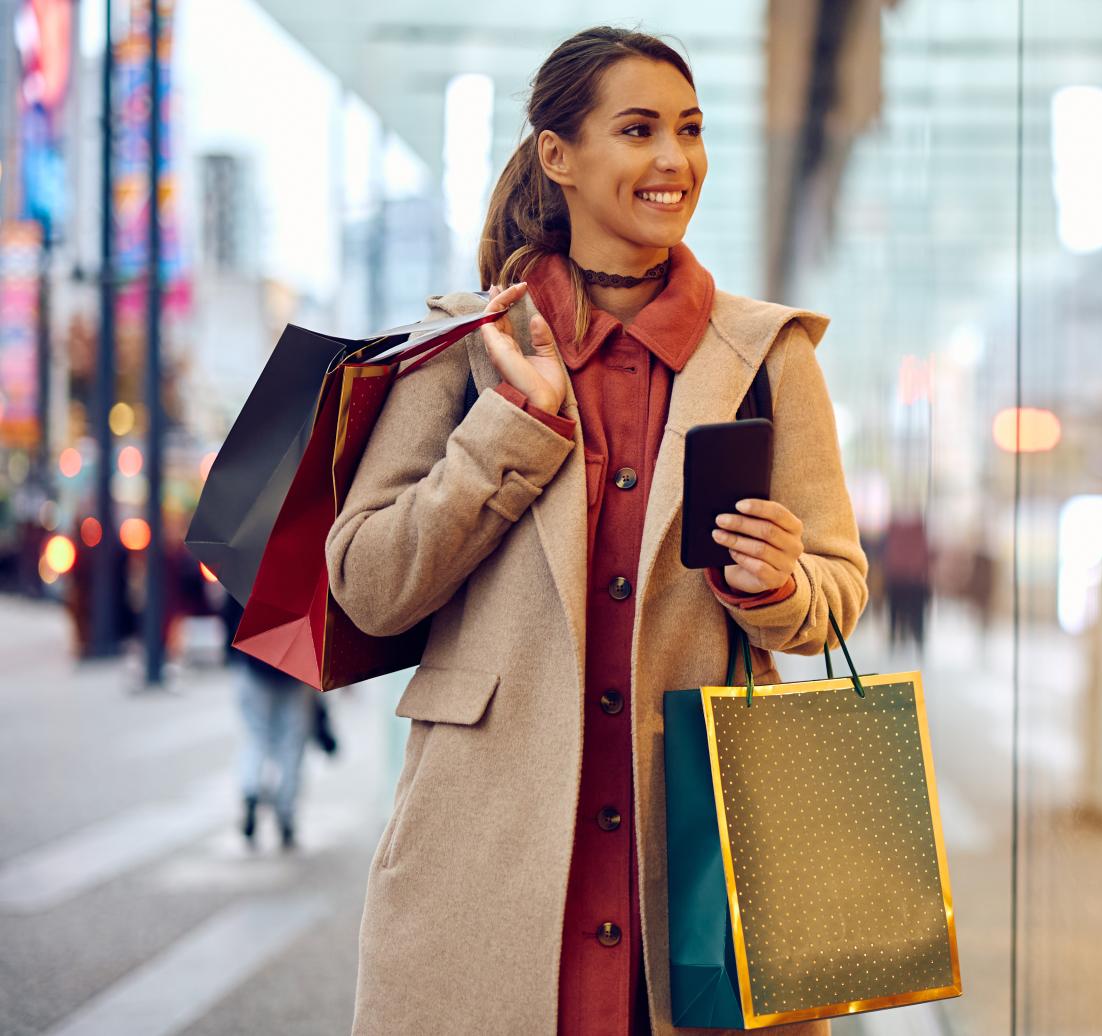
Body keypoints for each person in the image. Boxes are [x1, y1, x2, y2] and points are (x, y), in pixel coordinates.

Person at [324, 28, 866, 1036]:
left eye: (691, 131)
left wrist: (782, 586)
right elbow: (367, 582)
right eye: (639, 130)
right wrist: (507, 432)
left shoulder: (767, 356)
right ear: (557, 156)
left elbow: (838, 584)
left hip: (706, 855)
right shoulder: (461, 348)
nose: (674, 160)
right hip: (488, 850)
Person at [219, 593, 316, 850]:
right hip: (295, 667)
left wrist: (230, 654)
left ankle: (250, 790)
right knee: (292, 745)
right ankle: (286, 812)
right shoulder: (305, 572)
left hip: (253, 664)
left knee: (255, 736)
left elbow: (228, 616)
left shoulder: (247, 565)